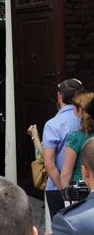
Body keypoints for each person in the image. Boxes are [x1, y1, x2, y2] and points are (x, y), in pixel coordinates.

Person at [42, 78, 84, 216]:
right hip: (87, 183)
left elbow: (49, 164)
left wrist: (63, 190)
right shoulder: (87, 120)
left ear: (59, 96)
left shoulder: (53, 124)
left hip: (58, 186)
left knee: (62, 232)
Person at [57, 91, 93, 195]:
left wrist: (66, 196)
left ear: (80, 110)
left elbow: (66, 173)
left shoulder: (75, 138)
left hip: (80, 190)